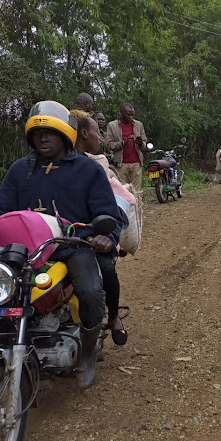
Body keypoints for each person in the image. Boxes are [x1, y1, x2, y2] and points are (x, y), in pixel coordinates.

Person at [0, 101, 122, 389]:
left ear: (66, 135)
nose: (43, 138)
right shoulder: (20, 169)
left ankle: (86, 353)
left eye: (50, 133)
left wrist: (106, 237)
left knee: (91, 292)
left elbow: (109, 214)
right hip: (22, 247)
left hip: (71, 245)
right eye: (38, 134)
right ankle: (8, 349)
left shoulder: (88, 170)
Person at [75, 115, 134, 345]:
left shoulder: (94, 165)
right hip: (54, 236)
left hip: (90, 232)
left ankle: (114, 316)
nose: (98, 136)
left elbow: (109, 205)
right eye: (96, 132)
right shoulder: (35, 167)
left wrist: (107, 235)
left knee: (106, 266)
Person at [106, 103, 147, 188]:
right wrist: (123, 143)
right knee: (123, 191)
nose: (131, 117)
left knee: (137, 192)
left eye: (132, 115)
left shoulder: (138, 125)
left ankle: (137, 202)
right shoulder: (112, 126)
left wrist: (140, 143)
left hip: (136, 163)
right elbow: (109, 145)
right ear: (122, 113)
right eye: (128, 115)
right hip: (121, 164)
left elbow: (144, 143)